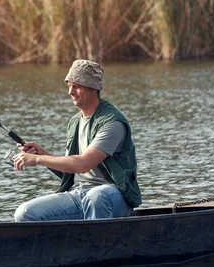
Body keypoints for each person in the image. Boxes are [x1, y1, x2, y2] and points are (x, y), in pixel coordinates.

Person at [12, 59, 141, 221]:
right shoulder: (75, 122)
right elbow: (71, 168)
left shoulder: (112, 122)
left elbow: (83, 164)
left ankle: (100, 245)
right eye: (69, 86)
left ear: (94, 88)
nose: (70, 92)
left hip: (114, 196)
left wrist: (37, 159)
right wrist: (43, 154)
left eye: (77, 86)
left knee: (96, 196)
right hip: (79, 194)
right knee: (25, 213)